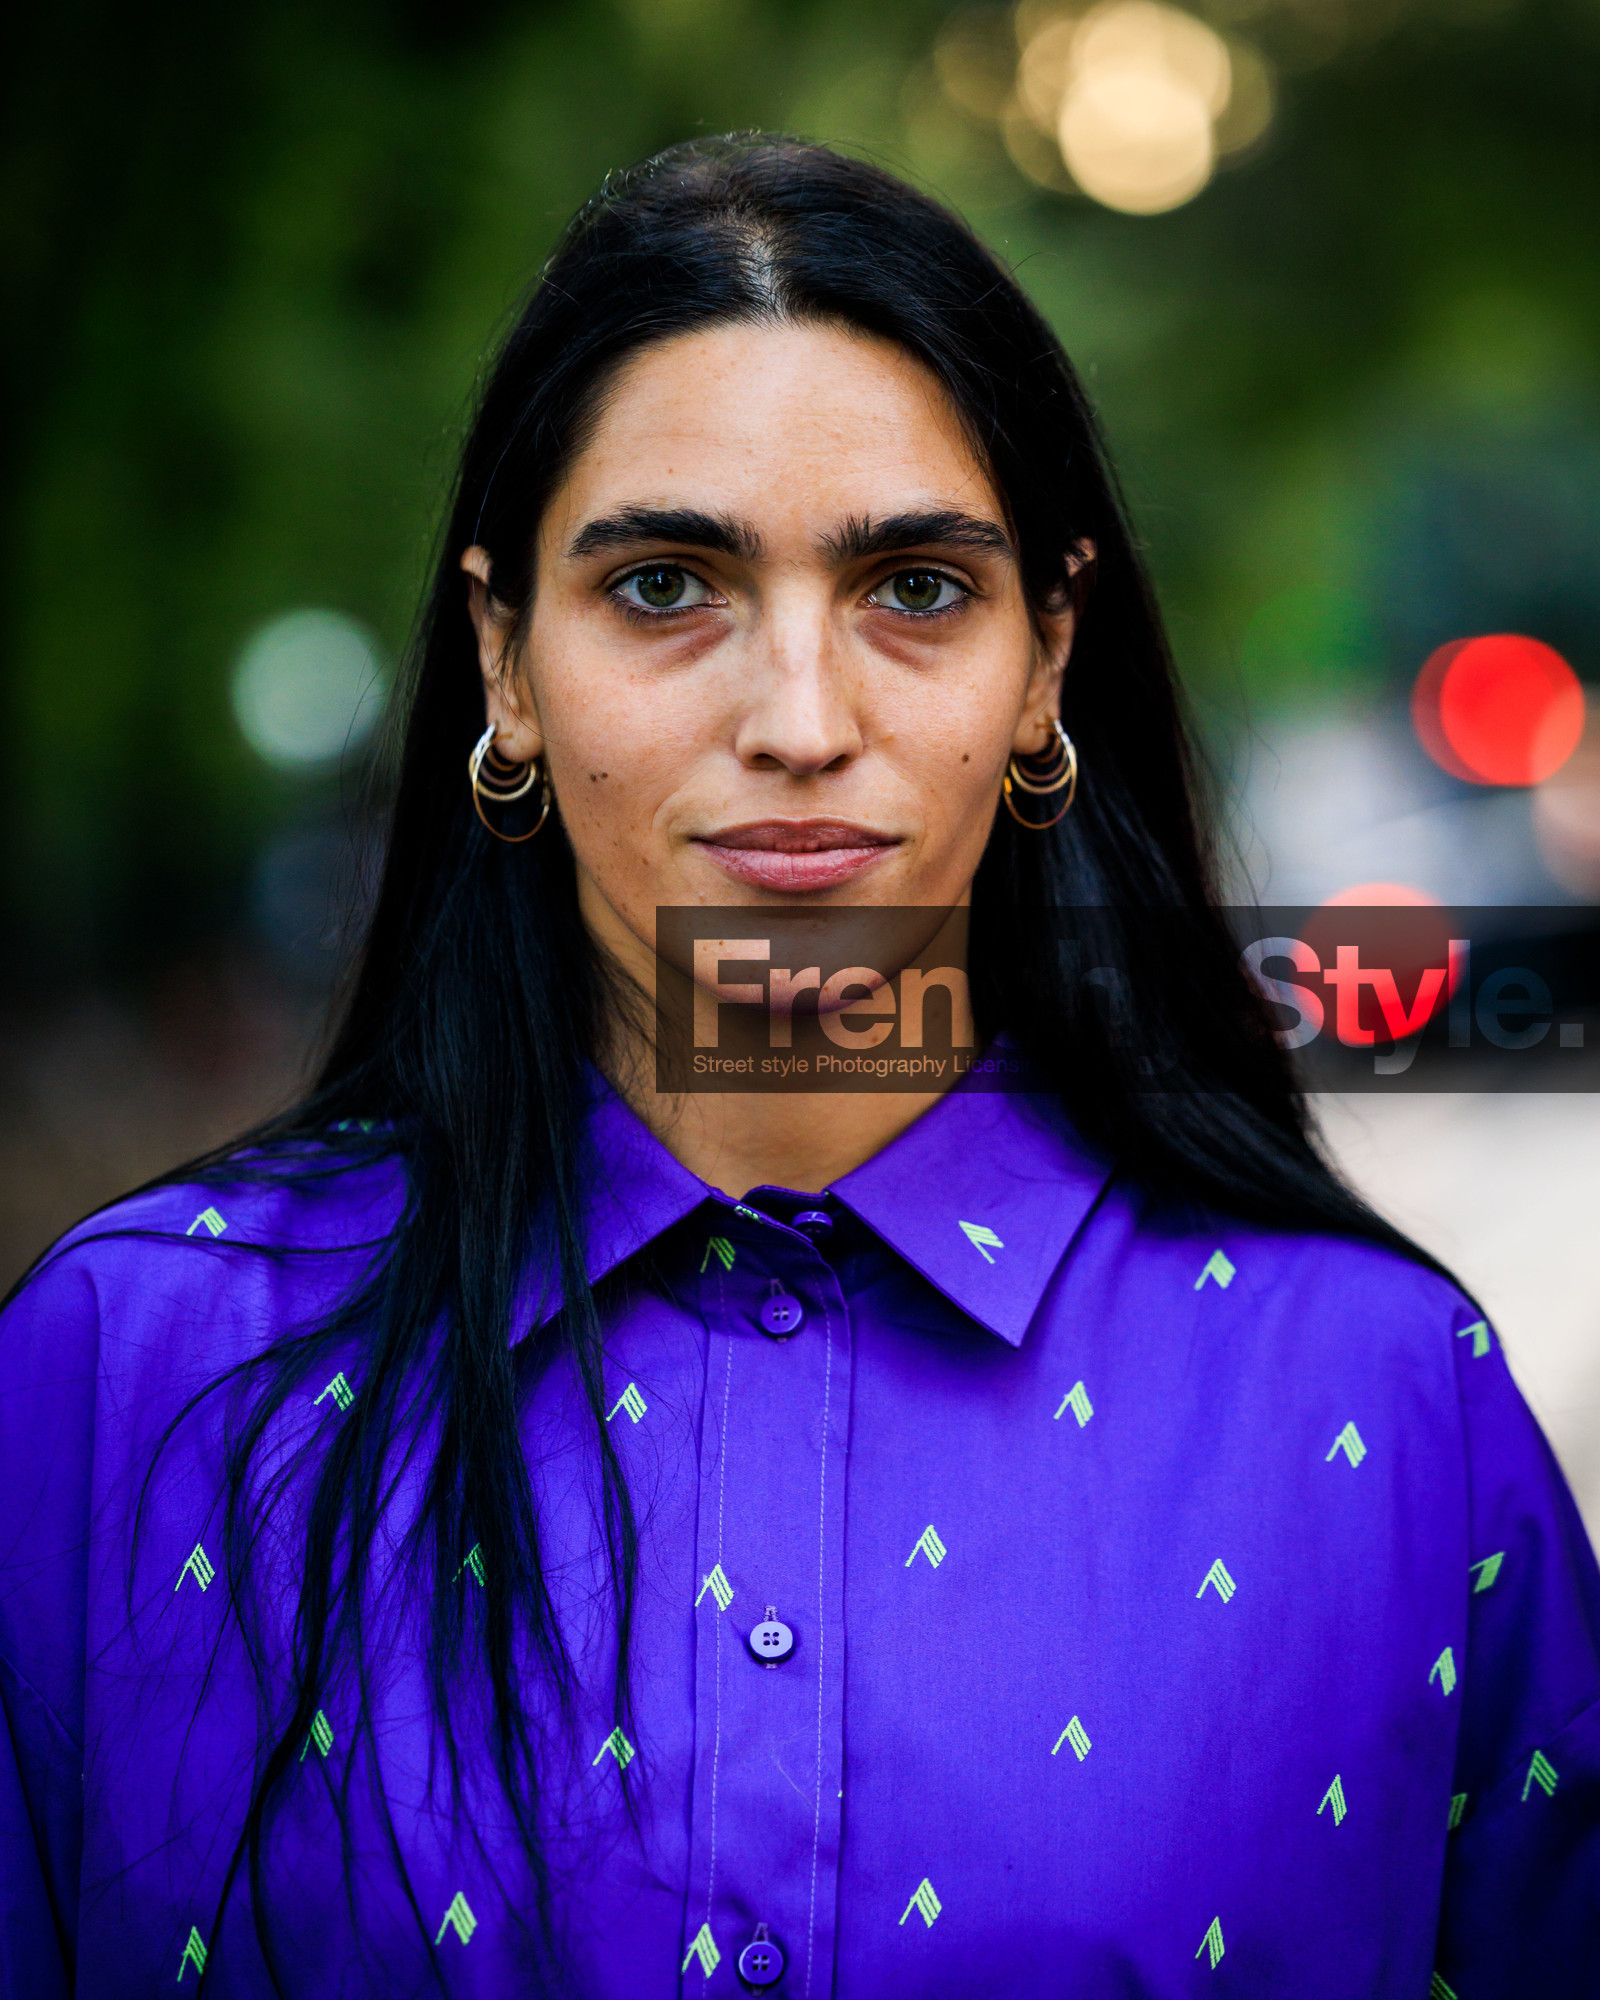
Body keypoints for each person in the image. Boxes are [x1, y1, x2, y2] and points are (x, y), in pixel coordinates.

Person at [1, 135, 1595, 2000]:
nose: (801, 721)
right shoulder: (126, 1376)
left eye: (916, 589)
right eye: (667, 586)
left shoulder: (1385, 1400)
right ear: (505, 656)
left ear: (1045, 662)